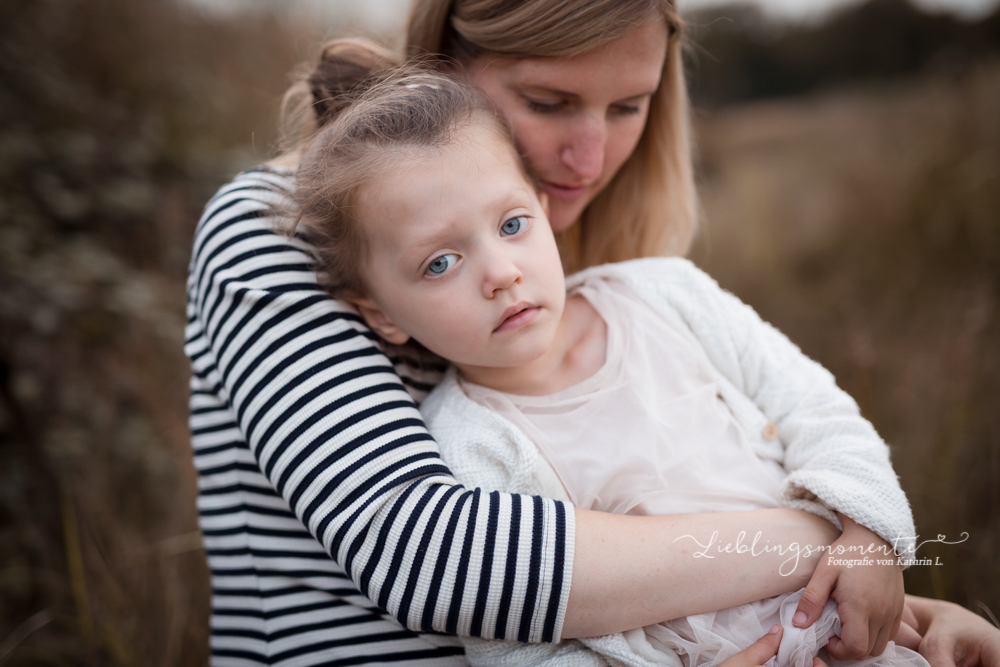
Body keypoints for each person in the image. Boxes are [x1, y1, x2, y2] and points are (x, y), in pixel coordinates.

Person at [185, 0, 1000, 664]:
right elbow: (439, 556)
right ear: (447, 68)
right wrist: (830, 533)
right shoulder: (275, 229)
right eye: (548, 102)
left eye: (628, 106)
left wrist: (901, 614)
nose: (589, 155)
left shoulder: (615, 291)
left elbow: (703, 500)